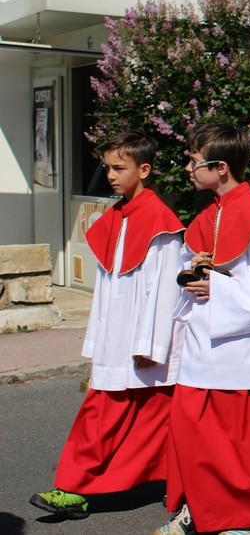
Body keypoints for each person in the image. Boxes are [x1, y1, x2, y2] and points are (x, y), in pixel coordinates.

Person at [157, 122, 250, 535]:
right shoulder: (210, 214)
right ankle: (200, 510)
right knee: (195, 432)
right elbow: (197, 263)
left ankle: (238, 519)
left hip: (240, 350)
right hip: (204, 344)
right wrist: (193, 268)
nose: (188, 168)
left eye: (194, 161)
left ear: (220, 167)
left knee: (235, 443)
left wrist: (218, 287)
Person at [30, 132, 184, 521]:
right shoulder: (116, 216)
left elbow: (164, 291)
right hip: (118, 339)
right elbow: (107, 288)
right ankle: (78, 487)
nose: (111, 175)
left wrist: (151, 345)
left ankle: (76, 488)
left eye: (119, 168)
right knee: (109, 417)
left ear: (144, 170)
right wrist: (98, 339)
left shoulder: (160, 223)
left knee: (145, 422)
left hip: (142, 341)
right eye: (107, 168)